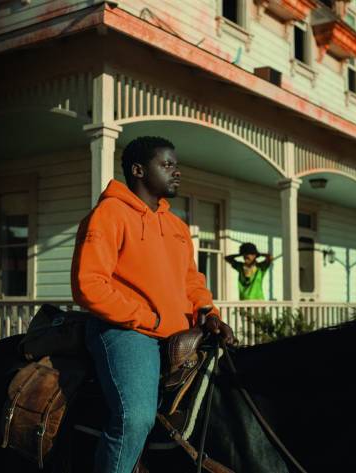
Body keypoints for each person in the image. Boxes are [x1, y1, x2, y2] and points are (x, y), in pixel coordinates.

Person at [71, 136, 235, 473]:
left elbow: (191, 280)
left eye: (176, 165)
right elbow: (88, 286)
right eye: (167, 165)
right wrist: (148, 318)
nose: (177, 172)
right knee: (136, 419)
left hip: (179, 332)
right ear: (138, 170)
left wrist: (209, 313)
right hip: (127, 332)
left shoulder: (176, 226)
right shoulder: (109, 214)